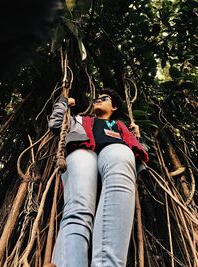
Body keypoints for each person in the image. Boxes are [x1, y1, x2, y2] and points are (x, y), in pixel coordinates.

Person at [48, 88, 149, 267]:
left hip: (114, 151)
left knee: (122, 156)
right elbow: (56, 125)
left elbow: (142, 153)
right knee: (78, 208)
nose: (98, 100)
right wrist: (64, 101)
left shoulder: (120, 127)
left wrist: (138, 136)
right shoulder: (80, 119)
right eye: (96, 98)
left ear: (114, 107)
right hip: (83, 152)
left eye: (104, 98)